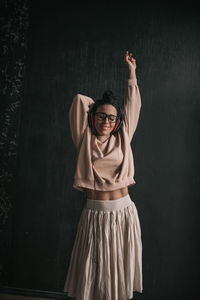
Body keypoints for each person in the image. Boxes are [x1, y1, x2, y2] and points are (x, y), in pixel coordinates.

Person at [63, 51, 143, 300]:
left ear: (118, 121)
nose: (106, 121)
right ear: (92, 117)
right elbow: (79, 100)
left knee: (117, 278)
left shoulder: (123, 138)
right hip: (95, 215)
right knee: (94, 278)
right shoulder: (84, 139)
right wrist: (99, 104)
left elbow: (132, 105)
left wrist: (132, 73)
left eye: (111, 117)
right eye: (101, 116)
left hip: (123, 214)